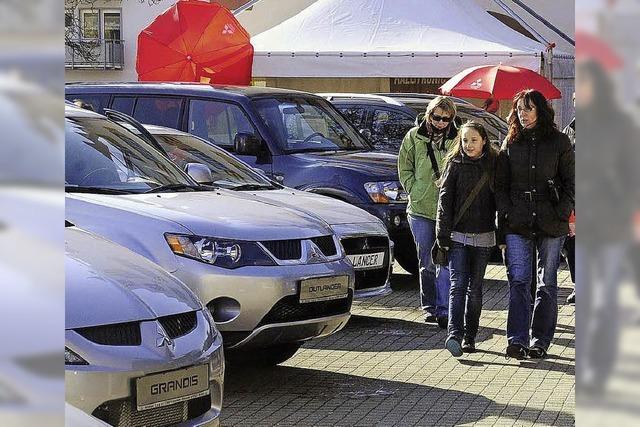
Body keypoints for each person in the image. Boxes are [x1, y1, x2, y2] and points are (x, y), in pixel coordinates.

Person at [495, 89, 575, 360]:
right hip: (517, 222)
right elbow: (501, 187)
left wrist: (563, 213)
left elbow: (571, 183)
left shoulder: (559, 142)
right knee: (518, 280)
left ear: (540, 111)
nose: (523, 114)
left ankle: (540, 340)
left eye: (528, 109)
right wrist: (505, 216)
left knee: (547, 282)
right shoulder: (511, 142)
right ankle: (517, 340)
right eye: (519, 109)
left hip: (550, 221)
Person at [436, 121, 498, 356]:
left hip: (483, 237)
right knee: (457, 286)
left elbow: (500, 201)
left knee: (475, 289)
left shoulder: (494, 164)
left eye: (473, 140)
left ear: (484, 140)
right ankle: (454, 334)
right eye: (464, 140)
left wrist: (500, 235)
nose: (469, 145)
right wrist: (442, 235)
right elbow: (444, 203)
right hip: (458, 237)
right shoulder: (454, 164)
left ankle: (470, 336)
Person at [398, 96, 458, 328]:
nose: (441, 122)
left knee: (445, 261)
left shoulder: (457, 138)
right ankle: (429, 306)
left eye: (446, 119)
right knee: (426, 261)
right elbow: (404, 167)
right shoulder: (413, 137)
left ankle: (444, 309)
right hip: (421, 209)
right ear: (428, 114)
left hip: (448, 210)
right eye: (436, 117)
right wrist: (414, 188)